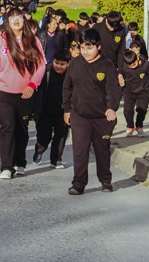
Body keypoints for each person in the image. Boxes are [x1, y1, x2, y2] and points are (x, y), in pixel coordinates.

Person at [0, 7, 45, 180]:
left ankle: (20, 162)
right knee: (8, 126)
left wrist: (33, 84)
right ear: (7, 22)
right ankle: (6, 166)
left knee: (22, 130)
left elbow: (41, 65)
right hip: (2, 92)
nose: (16, 20)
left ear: (24, 19)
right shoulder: (1, 40)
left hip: (25, 93)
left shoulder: (33, 40)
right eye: (11, 18)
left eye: (18, 16)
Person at [63, 28, 122, 195]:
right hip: (79, 114)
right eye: (82, 48)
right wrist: (66, 109)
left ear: (98, 46)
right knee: (80, 150)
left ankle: (105, 180)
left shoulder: (107, 65)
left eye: (89, 48)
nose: (85, 52)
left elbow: (113, 89)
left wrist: (111, 107)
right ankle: (78, 183)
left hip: (101, 116)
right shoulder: (75, 63)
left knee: (102, 149)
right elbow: (67, 87)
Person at [32, 48, 71, 169]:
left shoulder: (71, 75)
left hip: (62, 111)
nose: (59, 66)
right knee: (44, 137)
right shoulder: (46, 72)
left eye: (62, 64)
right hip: (45, 111)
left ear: (68, 64)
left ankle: (56, 159)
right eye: (57, 63)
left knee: (61, 136)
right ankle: (39, 150)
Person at [119, 49, 149, 138]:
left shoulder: (146, 65)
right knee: (128, 111)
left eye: (134, 64)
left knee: (142, 110)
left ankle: (139, 126)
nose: (132, 67)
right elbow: (119, 70)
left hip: (143, 91)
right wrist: (120, 76)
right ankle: (130, 126)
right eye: (130, 66)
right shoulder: (124, 66)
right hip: (128, 91)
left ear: (137, 58)